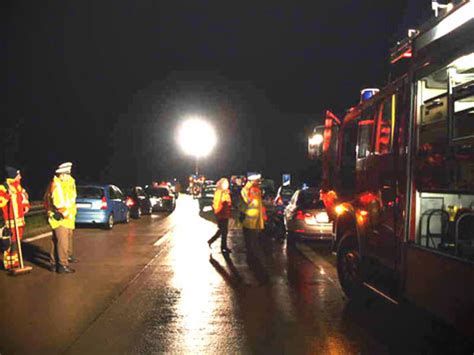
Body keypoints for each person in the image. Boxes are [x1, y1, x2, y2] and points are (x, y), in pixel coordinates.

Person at [46, 163, 76, 273]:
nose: (69, 177)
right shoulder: (56, 185)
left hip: (66, 217)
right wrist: (66, 213)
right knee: (63, 242)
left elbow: (71, 199)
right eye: (67, 175)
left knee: (57, 241)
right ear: (61, 175)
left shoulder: (67, 183)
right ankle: (62, 265)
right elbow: (58, 203)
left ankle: (54, 263)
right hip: (60, 217)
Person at [0, 167, 30, 271]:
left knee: (17, 242)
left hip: (19, 220)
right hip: (9, 221)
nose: (20, 177)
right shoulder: (4, 187)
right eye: (18, 175)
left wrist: (26, 205)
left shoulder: (18, 187)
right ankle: (8, 264)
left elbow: (24, 198)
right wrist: (8, 195)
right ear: (13, 176)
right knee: (9, 242)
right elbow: (1, 201)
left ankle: (15, 262)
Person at [241, 174, 265, 250]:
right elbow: (245, 193)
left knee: (254, 236)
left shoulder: (257, 189)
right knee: (251, 236)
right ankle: (251, 249)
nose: (259, 182)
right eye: (257, 181)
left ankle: (253, 248)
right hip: (251, 218)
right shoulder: (250, 189)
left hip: (256, 216)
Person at [208, 177, 232, 254]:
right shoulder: (219, 192)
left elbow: (229, 202)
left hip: (226, 214)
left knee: (224, 231)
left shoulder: (226, 192)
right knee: (222, 230)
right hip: (220, 214)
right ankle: (213, 241)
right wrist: (217, 212)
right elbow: (217, 203)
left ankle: (223, 246)